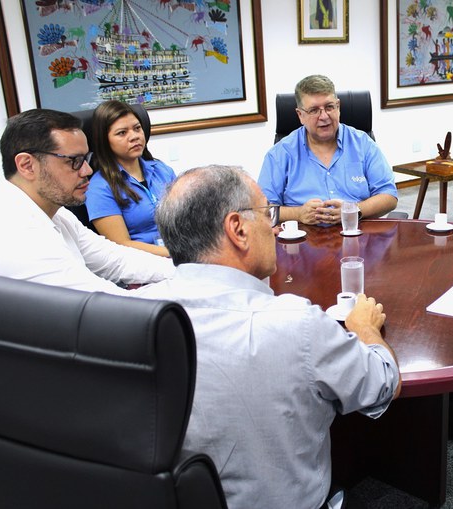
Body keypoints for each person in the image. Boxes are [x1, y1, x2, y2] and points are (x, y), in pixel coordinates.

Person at [136, 164, 401, 509]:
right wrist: (364, 327)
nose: (275, 227)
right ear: (238, 230)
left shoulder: (131, 314)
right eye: (267, 214)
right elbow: (384, 384)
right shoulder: (296, 324)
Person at [0, 108, 174, 294]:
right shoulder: (16, 230)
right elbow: (102, 302)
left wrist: (189, 272)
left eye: (85, 159)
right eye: (74, 161)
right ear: (27, 165)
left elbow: (115, 260)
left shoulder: (57, 214)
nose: (87, 170)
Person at [258, 74, 398, 225]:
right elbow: (262, 209)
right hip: (303, 239)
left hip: (356, 233)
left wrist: (354, 209)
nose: (324, 116)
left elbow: (389, 196)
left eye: (329, 107)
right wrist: (298, 213)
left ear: (338, 107)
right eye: (314, 110)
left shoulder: (363, 144)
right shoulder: (281, 153)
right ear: (300, 115)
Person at [85, 100, 176, 257]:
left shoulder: (161, 169)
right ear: (105, 140)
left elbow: (187, 217)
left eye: (137, 128)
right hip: (143, 266)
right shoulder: (99, 188)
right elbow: (120, 245)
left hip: (181, 254)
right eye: (122, 133)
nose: (134, 137)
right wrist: (176, 253)